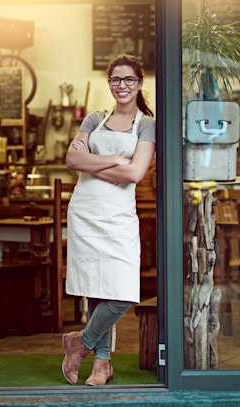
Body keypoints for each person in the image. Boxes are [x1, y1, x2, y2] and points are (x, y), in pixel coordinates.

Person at [61, 54, 156, 386]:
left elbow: (134, 172)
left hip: (118, 215)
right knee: (95, 287)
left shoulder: (146, 123)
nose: (122, 86)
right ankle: (102, 364)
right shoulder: (94, 118)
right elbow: (72, 159)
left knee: (123, 290)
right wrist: (115, 159)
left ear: (140, 83)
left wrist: (96, 160)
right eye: (116, 79)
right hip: (86, 209)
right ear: (109, 83)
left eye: (129, 79)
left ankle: (80, 343)